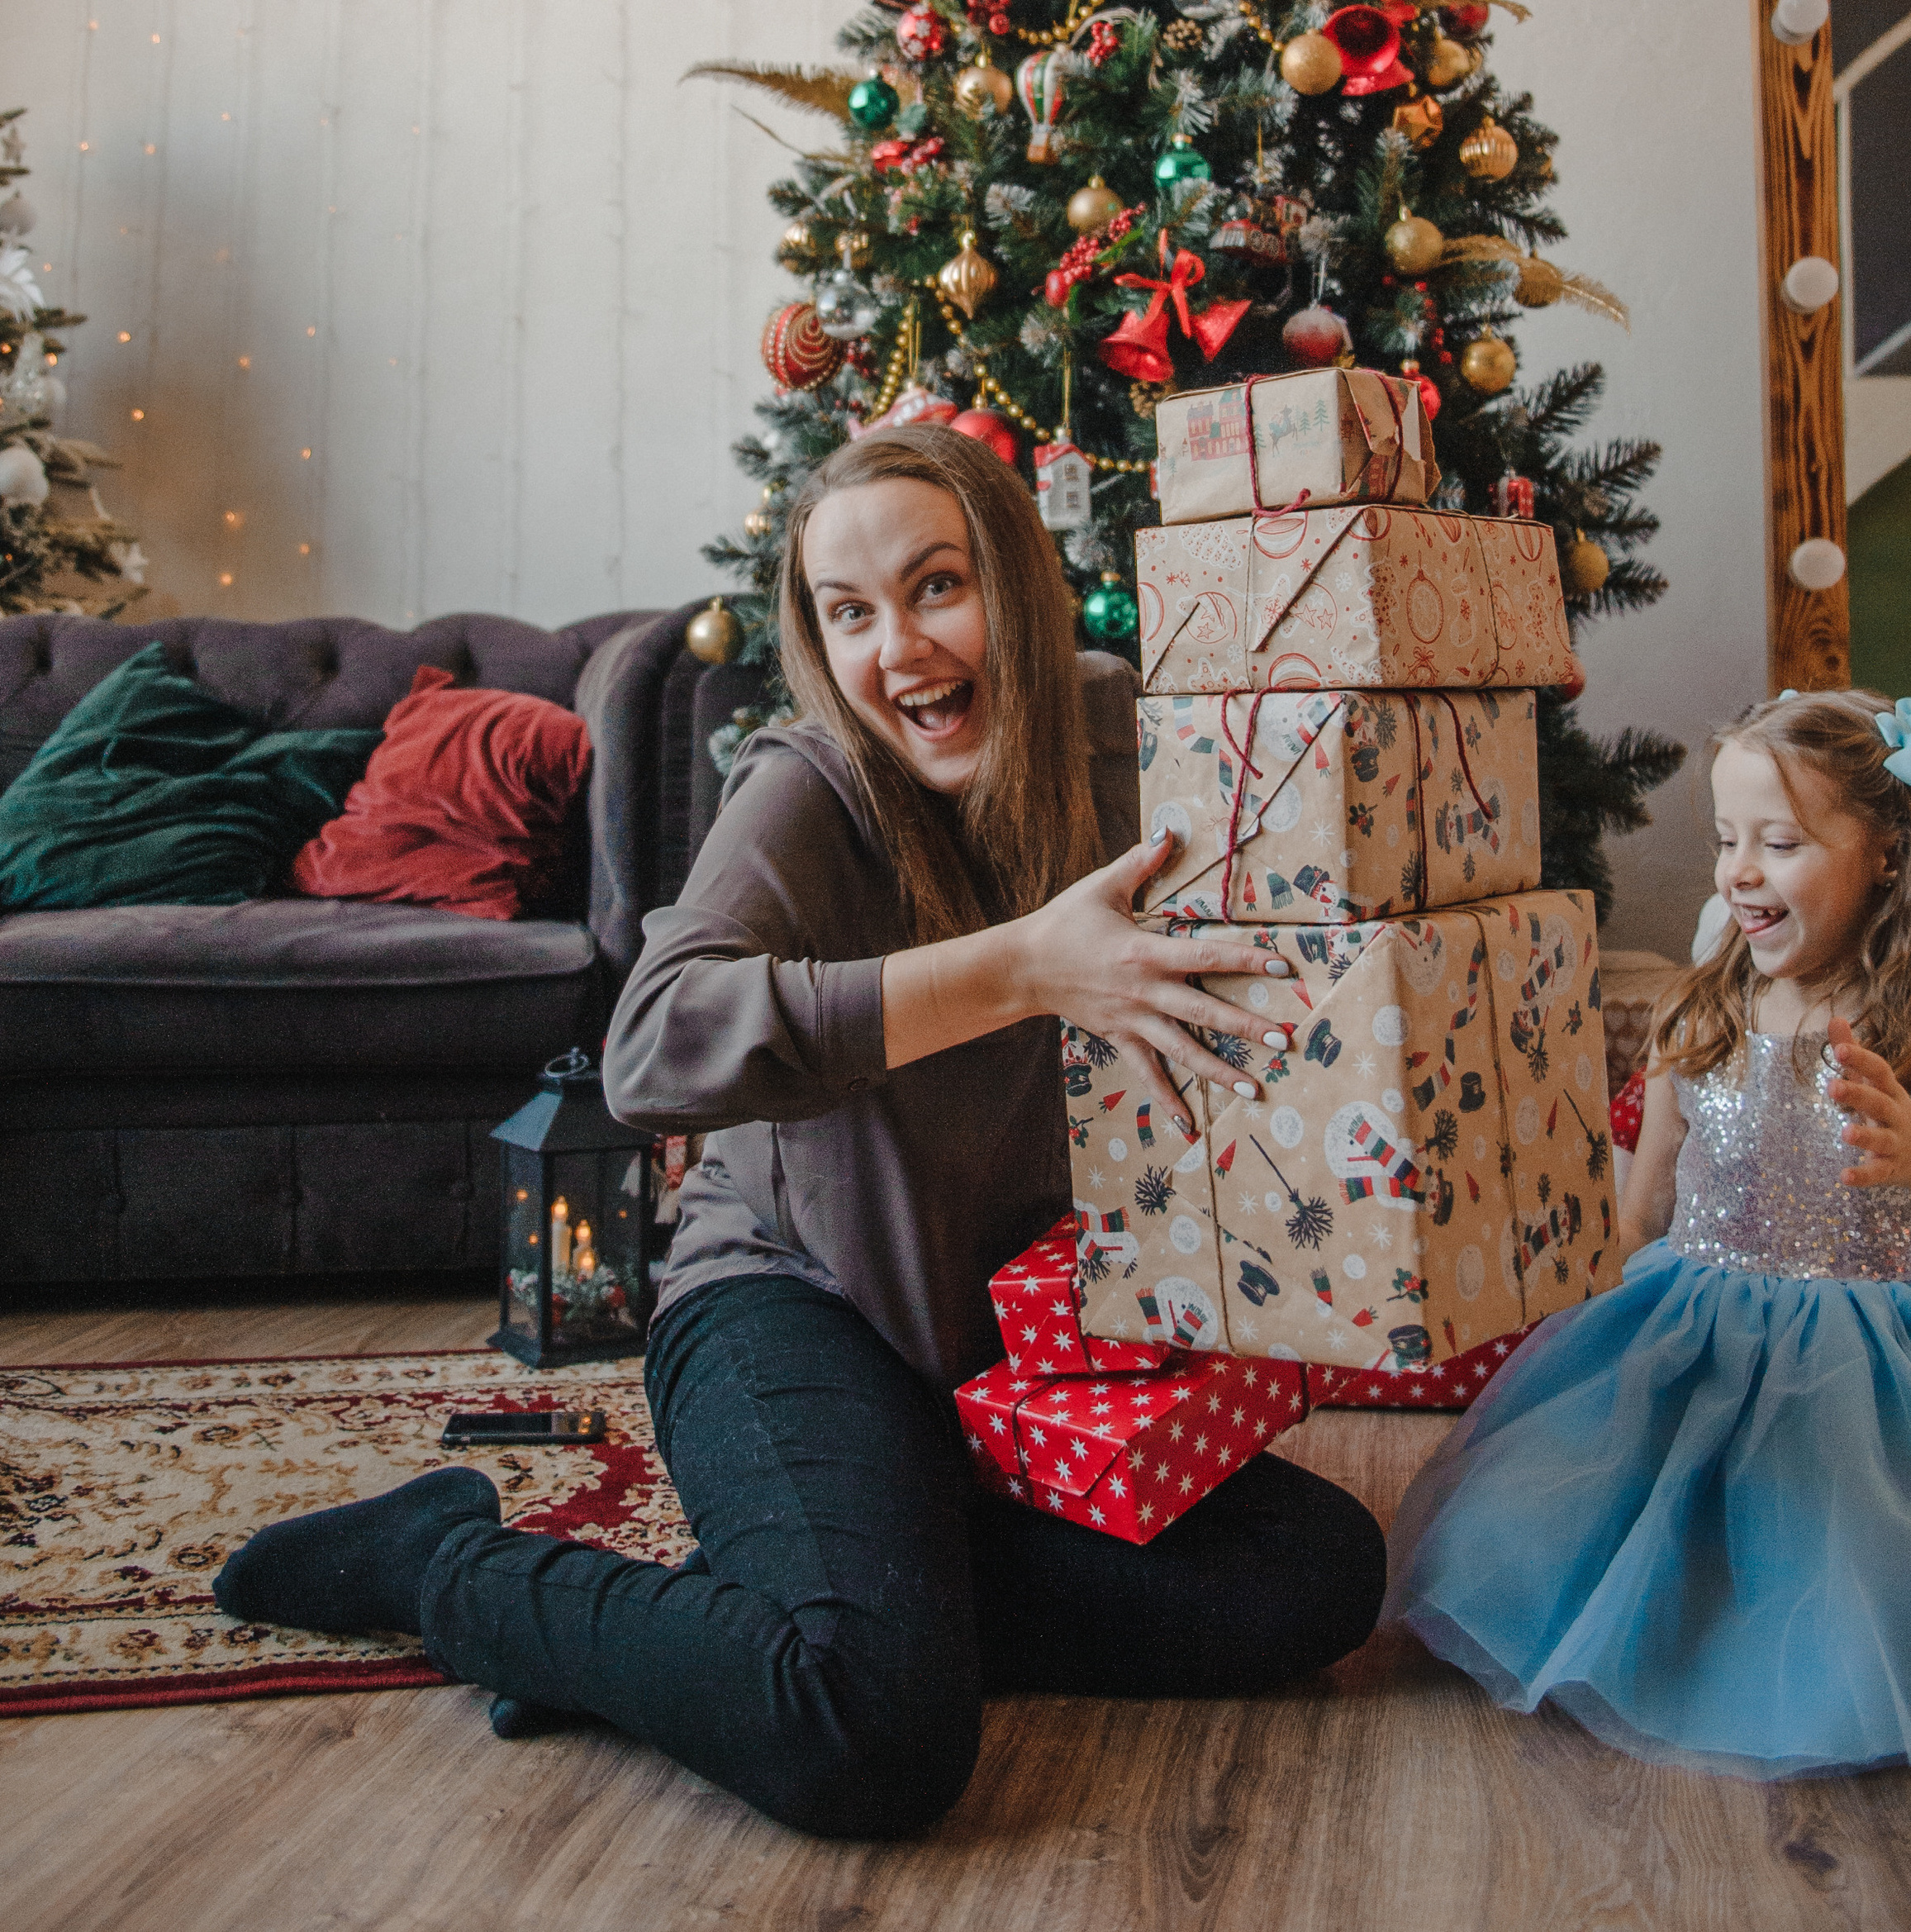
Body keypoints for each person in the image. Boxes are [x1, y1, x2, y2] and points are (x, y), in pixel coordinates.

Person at [216, 426, 1385, 1835]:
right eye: (849, 613)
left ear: (1015, 582)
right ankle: (443, 1562)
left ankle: (730, 1641)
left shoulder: (1116, 735)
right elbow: (652, 1041)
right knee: (870, 1738)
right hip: (788, 1306)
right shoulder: (813, 784)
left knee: (1319, 1575)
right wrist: (1018, 965)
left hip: (1009, 1362)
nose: (898, 649)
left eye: (936, 586)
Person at [1383, 686, 1911, 1784]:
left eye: (1779, 842)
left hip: (1885, 1366)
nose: (1738, 872)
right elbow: (1642, 1213)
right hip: (1695, 1325)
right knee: (1580, 1527)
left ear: (1886, 853)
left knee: (1882, 1571)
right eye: (1727, 839)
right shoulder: (1701, 1013)